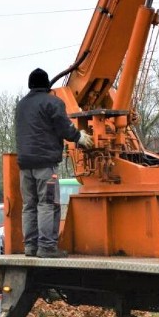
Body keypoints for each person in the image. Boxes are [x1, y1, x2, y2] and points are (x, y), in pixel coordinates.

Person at [15, 68, 93, 258]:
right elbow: (63, 127)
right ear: (47, 84)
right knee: (48, 204)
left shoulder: (21, 105)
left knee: (29, 205)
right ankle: (47, 247)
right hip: (45, 165)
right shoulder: (53, 102)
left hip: (25, 165)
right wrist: (78, 137)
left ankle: (30, 247)